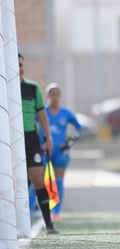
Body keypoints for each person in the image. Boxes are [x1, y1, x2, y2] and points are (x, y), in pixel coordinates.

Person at [19, 53, 59, 234]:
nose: (19, 68)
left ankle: (48, 223)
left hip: (30, 139)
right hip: (10, 141)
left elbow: (42, 115)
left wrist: (48, 137)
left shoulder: (32, 88)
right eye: (16, 64)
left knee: (38, 179)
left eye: (21, 64)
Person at [38, 83, 83, 221]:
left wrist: (70, 142)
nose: (55, 97)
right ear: (47, 96)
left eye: (57, 94)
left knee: (58, 181)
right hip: (44, 151)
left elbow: (79, 128)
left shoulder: (66, 113)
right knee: (40, 180)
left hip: (60, 153)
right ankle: (31, 209)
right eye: (52, 94)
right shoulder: (41, 111)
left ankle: (56, 212)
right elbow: (29, 123)